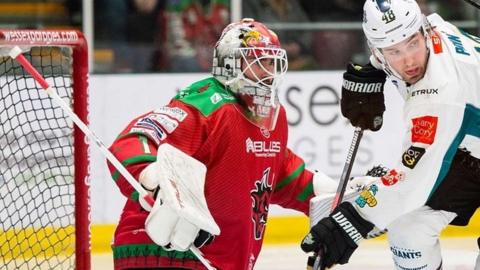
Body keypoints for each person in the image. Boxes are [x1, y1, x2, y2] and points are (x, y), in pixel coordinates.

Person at [107, 18, 344, 270]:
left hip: (219, 260)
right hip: (166, 250)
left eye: (272, 62)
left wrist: (339, 195)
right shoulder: (208, 104)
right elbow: (134, 141)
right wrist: (158, 186)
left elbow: (280, 176)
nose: (268, 72)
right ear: (229, 64)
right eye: (258, 61)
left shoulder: (272, 118)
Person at [300, 0, 480, 269]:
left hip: (463, 143)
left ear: (423, 33)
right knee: (408, 231)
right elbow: (401, 36)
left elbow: (411, 184)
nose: (408, 60)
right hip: (471, 155)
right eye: (393, 52)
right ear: (377, 50)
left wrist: (352, 219)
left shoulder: (438, 95)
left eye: (412, 44)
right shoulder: (430, 27)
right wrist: (374, 69)